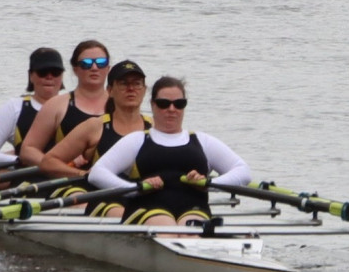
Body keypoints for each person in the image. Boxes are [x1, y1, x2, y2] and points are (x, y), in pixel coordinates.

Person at [87, 75, 252, 226]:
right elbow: (98, 173)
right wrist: (134, 188)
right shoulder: (137, 140)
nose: (172, 109)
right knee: (167, 227)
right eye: (164, 104)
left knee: (190, 230)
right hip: (146, 209)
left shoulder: (202, 140)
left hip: (193, 209)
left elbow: (243, 171)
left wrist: (209, 185)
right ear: (152, 105)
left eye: (179, 104)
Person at [37, 59, 153, 193]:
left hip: (143, 195)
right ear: (110, 91)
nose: (131, 89)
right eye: (123, 83)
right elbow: (48, 162)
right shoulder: (94, 127)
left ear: (144, 90)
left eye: (137, 84)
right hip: (101, 196)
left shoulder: (155, 128)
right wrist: (82, 174)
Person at [17, 40, 113, 174]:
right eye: (86, 64)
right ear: (75, 69)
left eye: (101, 62)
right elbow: (28, 150)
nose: (94, 67)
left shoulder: (121, 105)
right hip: (70, 179)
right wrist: (59, 166)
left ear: (108, 68)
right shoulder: (56, 105)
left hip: (111, 177)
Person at [0, 47, 67, 167]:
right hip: (26, 178)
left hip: (66, 176)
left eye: (55, 72)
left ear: (62, 76)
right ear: (31, 76)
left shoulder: (74, 106)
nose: (49, 77)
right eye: (42, 72)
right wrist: (17, 159)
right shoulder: (15, 107)